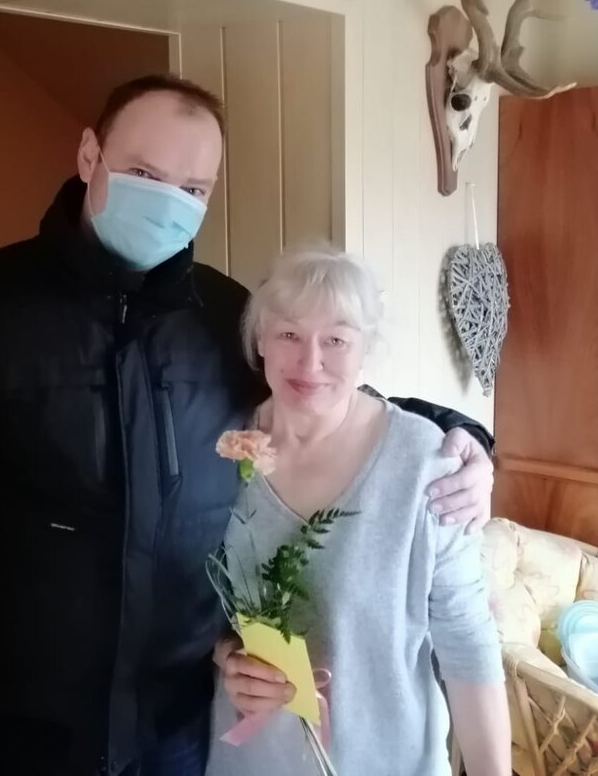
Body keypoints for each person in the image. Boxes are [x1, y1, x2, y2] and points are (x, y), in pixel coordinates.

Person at [0, 74, 497, 776]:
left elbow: (318, 390)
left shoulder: (222, 314)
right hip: (16, 732)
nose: (167, 202)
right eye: (144, 175)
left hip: (180, 734)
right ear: (90, 156)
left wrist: (461, 436)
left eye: (193, 189)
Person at [207, 244, 510, 776]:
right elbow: (190, 602)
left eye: (336, 340)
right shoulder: (221, 449)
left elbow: (467, 643)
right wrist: (226, 655)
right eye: (289, 334)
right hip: (250, 762)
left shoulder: (427, 463)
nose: (310, 362)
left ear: (366, 347)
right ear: (260, 340)